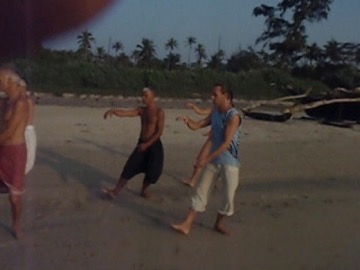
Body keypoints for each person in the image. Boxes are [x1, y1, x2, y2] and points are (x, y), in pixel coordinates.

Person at [172, 83, 242, 235]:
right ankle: (187, 224)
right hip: (214, 161)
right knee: (200, 191)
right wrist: (188, 121)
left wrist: (205, 159)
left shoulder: (234, 116)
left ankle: (219, 223)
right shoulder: (215, 112)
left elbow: (226, 144)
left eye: (215, 95)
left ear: (227, 96)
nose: (212, 97)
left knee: (228, 198)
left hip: (230, 163)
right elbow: (198, 125)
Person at [102, 87, 165, 199]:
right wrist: (113, 111)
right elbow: (127, 113)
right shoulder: (142, 110)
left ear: (153, 97)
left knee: (154, 170)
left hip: (154, 144)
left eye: (146, 96)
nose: (143, 98)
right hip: (142, 143)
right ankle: (116, 191)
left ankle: (144, 190)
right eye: (143, 95)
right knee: (130, 166)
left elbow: (159, 132)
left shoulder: (159, 112)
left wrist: (148, 144)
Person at [0, 67, 30, 238]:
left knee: (15, 197)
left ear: (9, 81)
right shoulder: (7, 101)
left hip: (15, 153)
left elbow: (10, 132)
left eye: (0, 80)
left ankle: (16, 223)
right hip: (3, 148)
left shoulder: (20, 102)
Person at [24, 91, 37, 174]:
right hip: (28, 128)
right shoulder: (28, 99)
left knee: (28, 158)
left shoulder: (26, 99)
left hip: (27, 128)